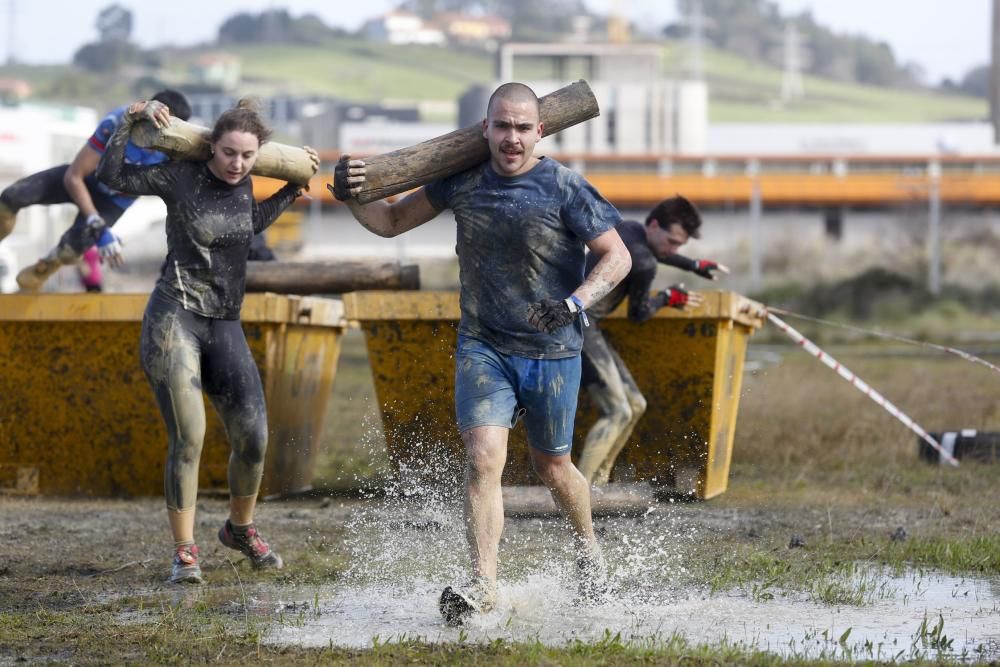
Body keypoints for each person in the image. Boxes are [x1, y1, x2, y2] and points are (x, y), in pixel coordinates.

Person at [331, 82, 632, 625]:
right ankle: (484, 585)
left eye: (522, 127)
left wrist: (575, 303)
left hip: (552, 347)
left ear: (540, 130)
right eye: (502, 127)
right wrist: (355, 195)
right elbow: (392, 222)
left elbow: (617, 256)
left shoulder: (565, 186)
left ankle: (589, 552)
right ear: (485, 130)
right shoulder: (461, 181)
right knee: (483, 459)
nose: (512, 138)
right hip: (484, 345)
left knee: (553, 465)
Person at [95, 96, 319, 584]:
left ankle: (239, 529)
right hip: (175, 318)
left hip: (225, 324)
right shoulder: (180, 177)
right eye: (228, 154)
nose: (237, 164)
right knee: (189, 437)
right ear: (210, 147)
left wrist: (292, 187)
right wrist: (127, 123)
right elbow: (112, 177)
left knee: (255, 439)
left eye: (247, 156)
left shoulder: (245, 185)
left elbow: (249, 225)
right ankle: (184, 552)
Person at [575, 196, 729, 485]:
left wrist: (693, 265)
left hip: (585, 326)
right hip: (577, 330)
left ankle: (599, 483)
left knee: (636, 404)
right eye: (672, 241)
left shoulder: (630, 230)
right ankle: (577, 493)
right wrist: (667, 298)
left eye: (680, 246)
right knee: (618, 410)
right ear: (655, 225)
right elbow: (639, 314)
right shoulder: (644, 262)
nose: (673, 250)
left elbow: (657, 251)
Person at [0, 89, 192, 291]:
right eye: (151, 128)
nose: (154, 140)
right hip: (85, 180)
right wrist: (96, 223)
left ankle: (47, 265)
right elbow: (73, 176)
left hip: (113, 203)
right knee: (11, 196)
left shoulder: (174, 153)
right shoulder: (117, 123)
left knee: (71, 250)